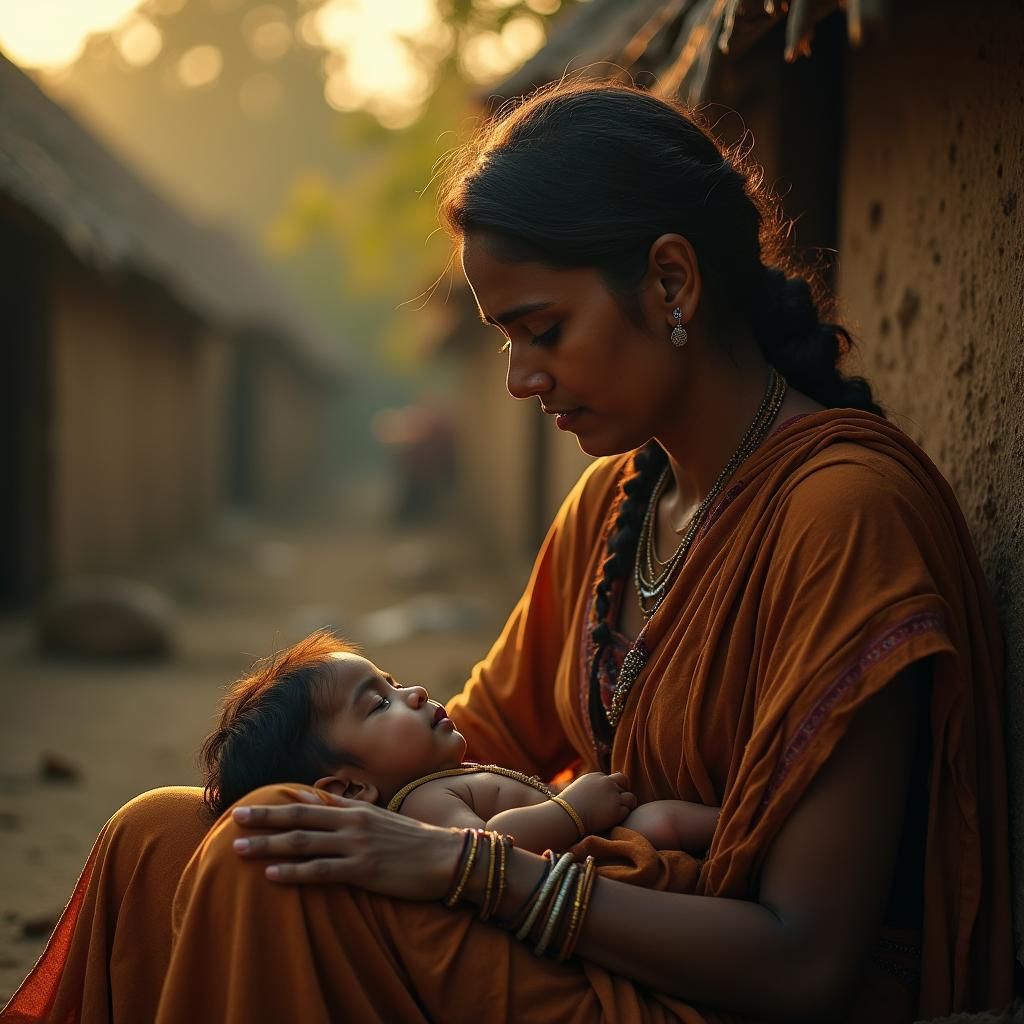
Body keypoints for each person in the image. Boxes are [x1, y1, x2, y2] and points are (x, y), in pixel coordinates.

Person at [2, 80, 1012, 1024]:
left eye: (544, 330)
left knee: (256, 871)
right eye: (504, 340)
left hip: (706, 983)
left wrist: (472, 868)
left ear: (671, 279)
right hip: (583, 915)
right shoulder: (617, 505)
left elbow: (804, 959)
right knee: (161, 836)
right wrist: (339, 792)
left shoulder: (843, 516)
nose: (521, 379)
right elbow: (483, 737)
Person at [200, 628, 718, 854]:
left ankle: (743, 833)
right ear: (350, 790)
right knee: (662, 824)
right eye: (379, 703)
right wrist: (571, 811)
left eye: (394, 683)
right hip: (584, 874)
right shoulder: (421, 803)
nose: (415, 693)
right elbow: (480, 849)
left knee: (664, 822)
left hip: (598, 843)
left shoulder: (438, 781)